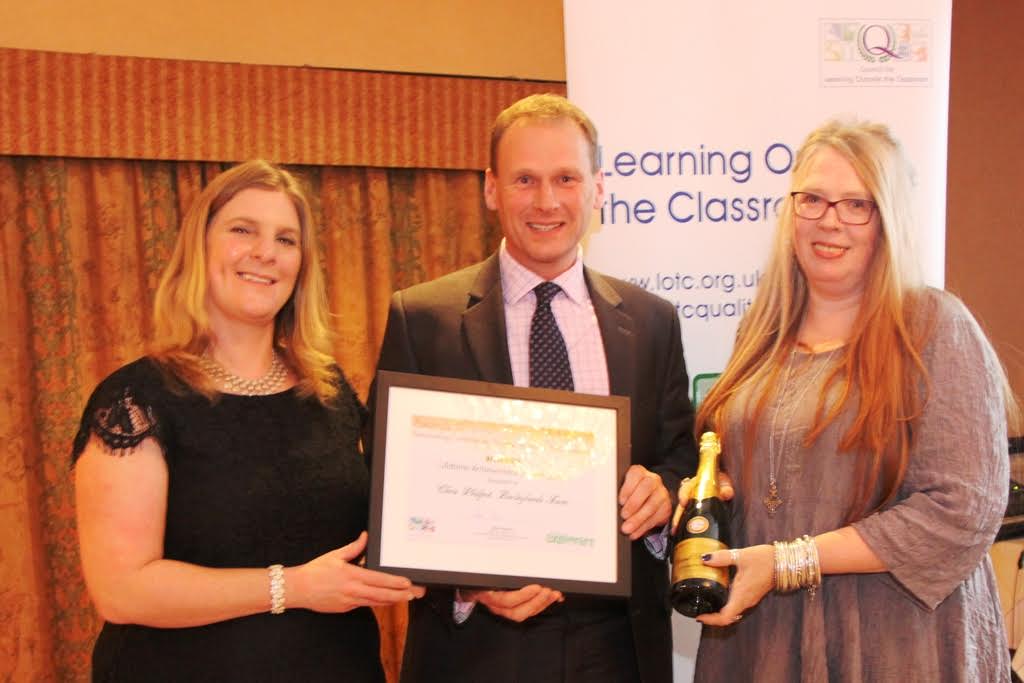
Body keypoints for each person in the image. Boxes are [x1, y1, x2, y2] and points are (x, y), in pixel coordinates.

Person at [371, 93, 697, 683]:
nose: (546, 201)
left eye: (566, 178)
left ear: (598, 188)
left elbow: (680, 456)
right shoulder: (422, 319)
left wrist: (665, 493)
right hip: (477, 651)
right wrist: (467, 582)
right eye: (525, 179)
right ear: (491, 189)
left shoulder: (652, 322)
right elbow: (390, 491)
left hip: (620, 647)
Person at [686, 120, 1017, 681]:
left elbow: (962, 510)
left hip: (895, 643)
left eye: (856, 203)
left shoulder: (932, 329)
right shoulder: (760, 334)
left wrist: (789, 562)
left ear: (888, 220)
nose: (829, 219)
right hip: (765, 641)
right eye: (812, 199)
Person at [72, 160, 424, 682]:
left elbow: (393, 523)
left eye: (286, 239)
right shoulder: (135, 399)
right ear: (200, 246)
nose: (265, 253)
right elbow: (122, 590)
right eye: (242, 230)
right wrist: (296, 587)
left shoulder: (328, 390)